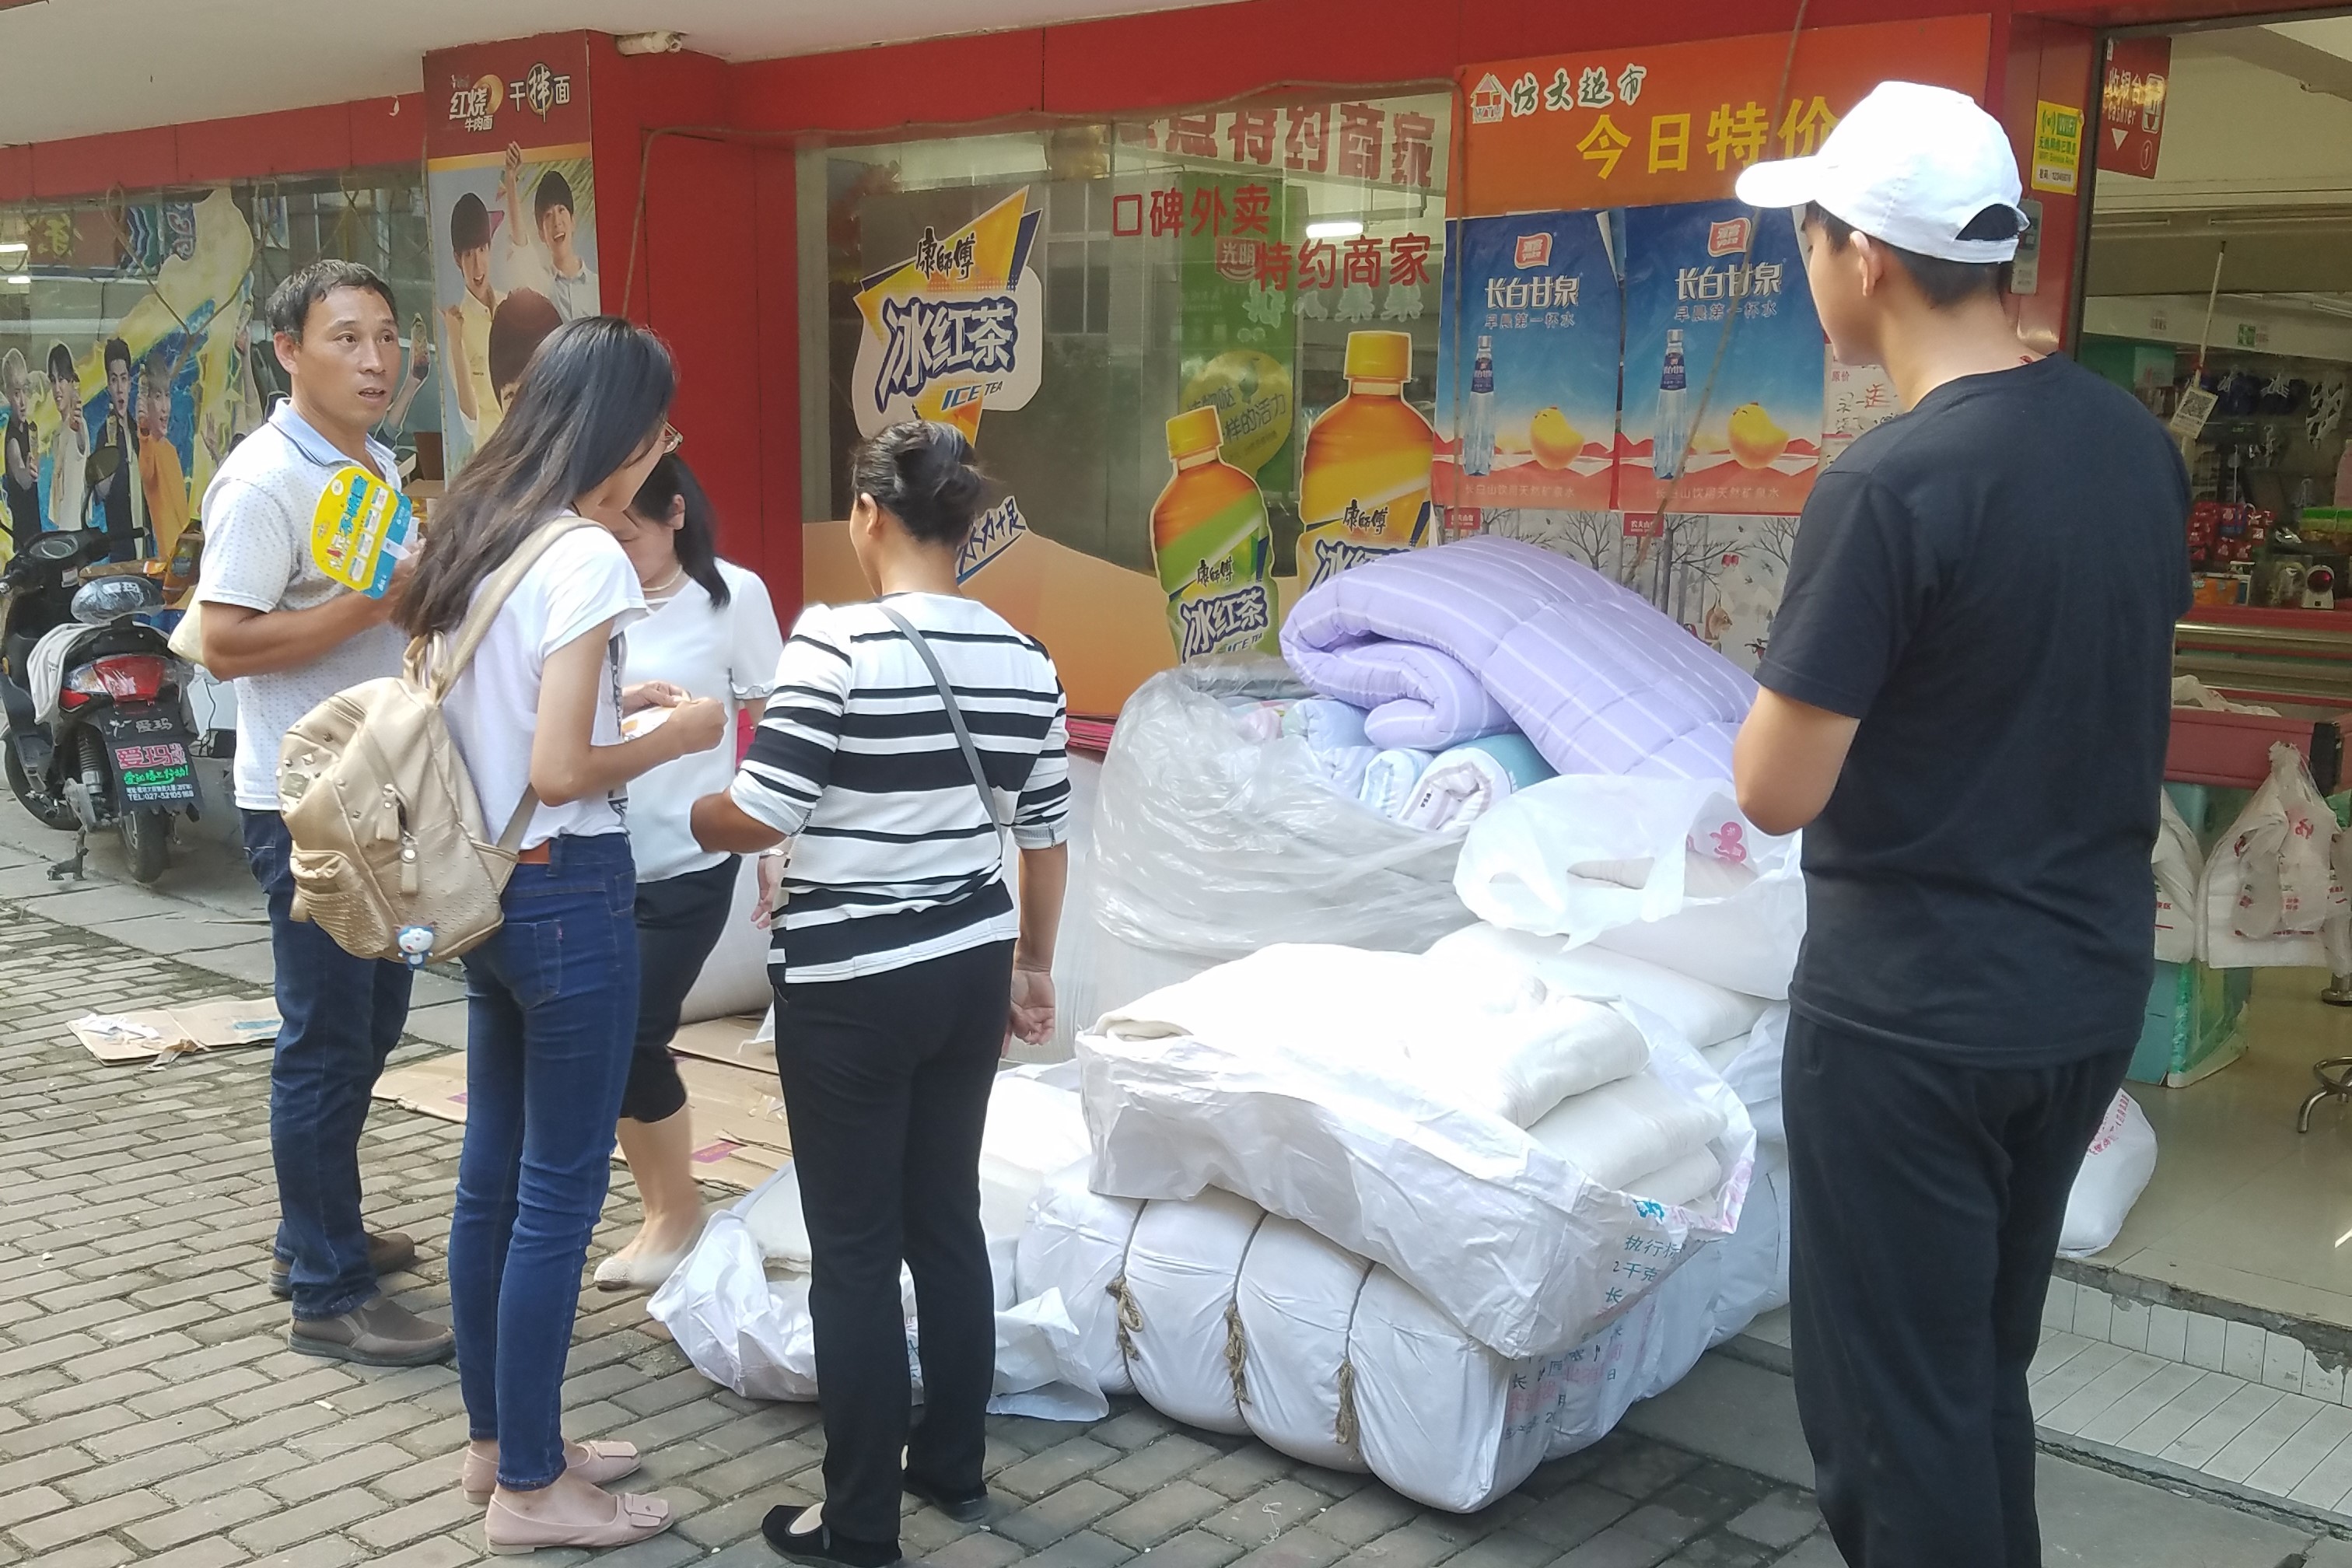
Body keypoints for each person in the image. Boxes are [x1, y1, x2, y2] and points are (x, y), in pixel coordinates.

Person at [1730, 83, 2189, 1568]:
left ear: (1862, 256)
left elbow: (1772, 786)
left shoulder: (1886, 483)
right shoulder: (2127, 446)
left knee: (1890, 1421)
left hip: (1910, 1024)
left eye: (1806, 235)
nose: (1803, 262)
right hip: (2075, 994)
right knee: (1977, 1373)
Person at [690, 420, 1070, 1568]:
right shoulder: (1027, 658)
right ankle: (952, 1465)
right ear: (965, 525)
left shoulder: (836, 643)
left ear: (865, 514)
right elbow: (1044, 836)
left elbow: (760, 811)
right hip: (968, 968)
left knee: (853, 1249)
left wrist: (692, 802)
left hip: (852, 983)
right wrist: (1033, 964)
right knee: (944, 1220)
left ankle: (859, 1523)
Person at [398, 314, 725, 1555]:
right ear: (625, 433)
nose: (663, 452)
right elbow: (562, 766)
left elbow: (499, 715)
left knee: (491, 1182)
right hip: (570, 894)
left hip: (483, 894)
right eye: (661, 429)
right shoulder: (584, 553)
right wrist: (678, 735)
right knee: (557, 1198)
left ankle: (501, 1443)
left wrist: (616, 700)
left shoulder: (475, 527)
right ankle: (533, 1492)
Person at [193, 260, 448, 1366]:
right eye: (346, 338)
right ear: (288, 351)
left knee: (371, 1028)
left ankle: (317, 1231)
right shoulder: (265, 482)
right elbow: (222, 641)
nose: (375, 359)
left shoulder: (372, 462)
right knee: (326, 1041)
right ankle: (327, 1294)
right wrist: (370, 607)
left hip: (380, 789)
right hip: (309, 806)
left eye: (386, 336)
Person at [594, 452, 783, 1291]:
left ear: (676, 515)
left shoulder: (733, 595)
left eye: (629, 535)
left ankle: (676, 1213)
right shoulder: (588, 595)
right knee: (608, 1038)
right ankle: (663, 1208)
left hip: (688, 859)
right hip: (588, 855)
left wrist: (774, 846)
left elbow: (775, 729)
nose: (616, 552)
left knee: (631, 1032)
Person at [502, 145, 599, 320]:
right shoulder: (541, 283)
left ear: (573, 221)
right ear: (541, 234)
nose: (557, 222)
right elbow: (520, 242)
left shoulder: (597, 286)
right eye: (548, 215)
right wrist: (510, 177)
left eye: (561, 210)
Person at [441, 192, 506, 447]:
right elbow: (470, 421)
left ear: (490, 249)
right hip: (493, 457)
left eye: (481, 250)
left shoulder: (511, 306)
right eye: (469, 254)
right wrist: (456, 342)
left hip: (530, 449)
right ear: (457, 259)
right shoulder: (458, 329)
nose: (478, 266)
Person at [92, 337, 146, 562]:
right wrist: (111, 453)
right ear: (108, 385)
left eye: (124, 379)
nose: (120, 388)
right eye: (114, 380)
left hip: (146, 544)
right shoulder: (104, 435)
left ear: (130, 383)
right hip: (120, 548)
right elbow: (100, 492)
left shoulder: (138, 431)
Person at [137, 348, 191, 566]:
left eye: (167, 395)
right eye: (157, 397)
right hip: (164, 567)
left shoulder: (169, 450)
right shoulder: (147, 446)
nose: (165, 408)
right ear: (145, 402)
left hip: (184, 561)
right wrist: (143, 432)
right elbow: (146, 474)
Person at [44, 342, 86, 533]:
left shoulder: (78, 424)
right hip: (62, 530)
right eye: (53, 380)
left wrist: (77, 427)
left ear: (71, 381)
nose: (57, 389)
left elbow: (81, 443)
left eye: (61, 379)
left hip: (75, 530)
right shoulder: (58, 435)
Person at [2, 348, 37, 552]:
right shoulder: (12, 440)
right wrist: (29, 472)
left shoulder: (30, 429)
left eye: (25, 390)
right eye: (16, 393)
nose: (23, 401)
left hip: (36, 537)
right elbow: (23, 478)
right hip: (23, 543)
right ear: (8, 394)